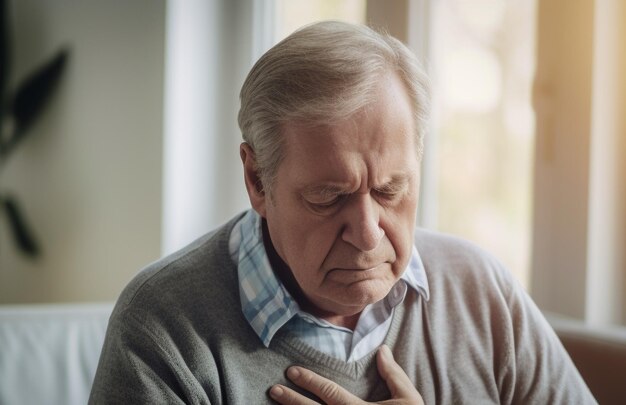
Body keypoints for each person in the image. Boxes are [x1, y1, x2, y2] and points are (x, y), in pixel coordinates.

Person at [89, 21, 595, 404]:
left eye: (391, 189)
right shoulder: (162, 331)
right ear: (257, 180)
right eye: (329, 197)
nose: (369, 234)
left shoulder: (481, 295)